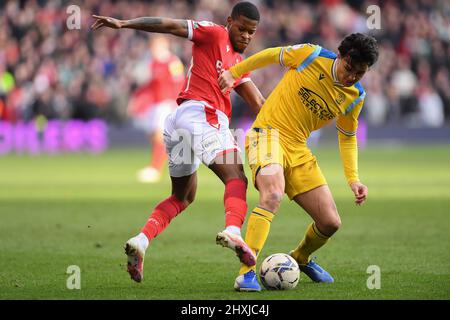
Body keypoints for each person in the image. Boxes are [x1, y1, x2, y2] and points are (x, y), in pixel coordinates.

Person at [91, 1, 265, 283]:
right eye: (242, 29)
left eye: (251, 32)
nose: (246, 36)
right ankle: (233, 231)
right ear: (230, 22)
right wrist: (124, 24)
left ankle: (141, 240)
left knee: (182, 197)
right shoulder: (213, 33)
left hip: (179, 123)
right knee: (237, 178)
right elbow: (169, 25)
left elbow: (259, 104)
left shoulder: (240, 65)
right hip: (203, 115)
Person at [219, 33, 379, 291]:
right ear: (340, 55)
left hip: (298, 149)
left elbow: (348, 137)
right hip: (267, 135)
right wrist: (233, 72)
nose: (351, 77)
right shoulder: (311, 55)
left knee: (330, 222)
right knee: (272, 195)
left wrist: (353, 179)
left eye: (359, 74)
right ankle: (245, 274)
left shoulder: (355, 96)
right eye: (349, 68)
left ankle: (300, 258)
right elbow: (271, 54)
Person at [128, 36, 185, 183]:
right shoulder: (153, 64)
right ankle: (161, 166)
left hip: (168, 104)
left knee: (160, 135)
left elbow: (179, 82)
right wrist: (138, 100)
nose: (153, 49)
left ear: (164, 45)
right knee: (155, 136)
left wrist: (178, 103)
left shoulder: (173, 62)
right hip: (156, 105)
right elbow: (149, 86)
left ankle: (155, 169)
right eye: (152, 46)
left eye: (156, 45)